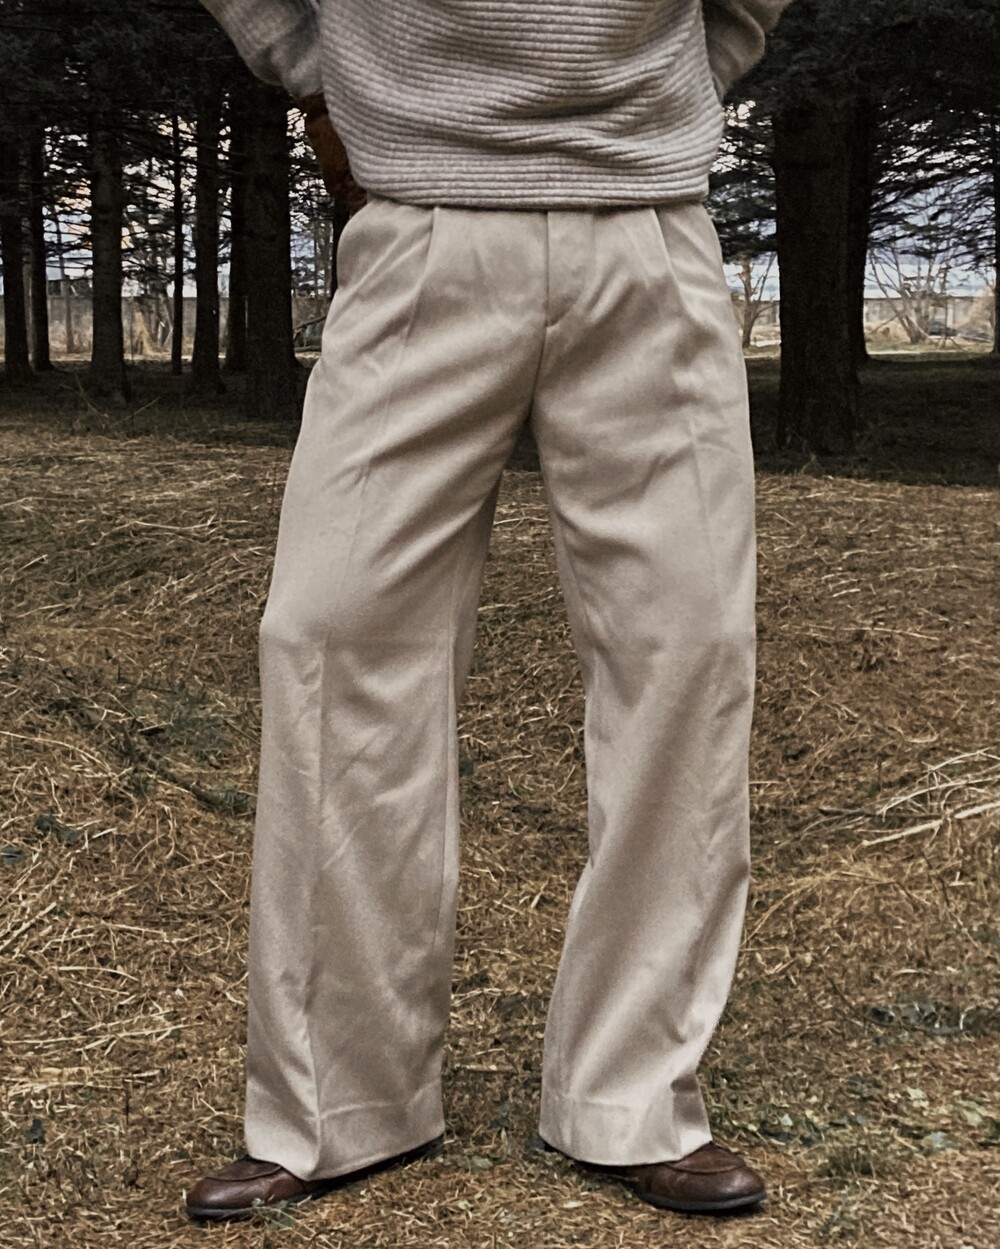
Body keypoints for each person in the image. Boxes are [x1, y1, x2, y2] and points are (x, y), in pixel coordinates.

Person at [186, 0, 792, 1224]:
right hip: (416, 215)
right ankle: (337, 1101)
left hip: (646, 214)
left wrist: (673, 76)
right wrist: (325, 75)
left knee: (687, 645)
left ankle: (632, 1094)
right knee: (327, 634)